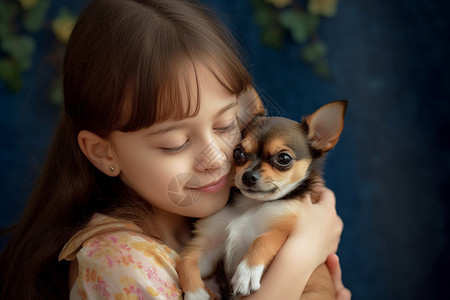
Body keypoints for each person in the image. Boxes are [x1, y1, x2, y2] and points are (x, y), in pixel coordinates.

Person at [0, 0, 351, 299]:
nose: (216, 158)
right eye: (175, 143)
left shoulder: (210, 222)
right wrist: (302, 253)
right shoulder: (117, 263)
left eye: (227, 126)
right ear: (104, 153)